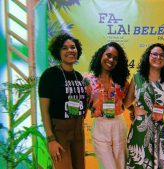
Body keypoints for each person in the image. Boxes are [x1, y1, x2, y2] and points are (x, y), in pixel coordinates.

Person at [38, 33, 86, 169]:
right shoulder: (49, 75)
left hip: (78, 130)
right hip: (59, 131)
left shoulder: (79, 76)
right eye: (64, 48)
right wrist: (51, 139)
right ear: (58, 52)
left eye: (73, 47)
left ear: (77, 51)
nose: (70, 50)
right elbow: (44, 111)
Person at [124, 43, 164, 169]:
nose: (158, 57)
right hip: (140, 130)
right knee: (140, 164)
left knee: (162, 164)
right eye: (155, 54)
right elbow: (127, 103)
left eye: (162, 55)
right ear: (148, 57)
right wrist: (135, 110)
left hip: (159, 128)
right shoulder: (137, 78)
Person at [84, 42, 130, 169]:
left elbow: (127, 103)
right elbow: (84, 105)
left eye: (115, 58)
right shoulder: (88, 80)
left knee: (121, 165)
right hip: (100, 127)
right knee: (109, 166)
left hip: (118, 126)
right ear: (100, 56)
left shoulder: (122, 82)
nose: (111, 60)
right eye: (108, 55)